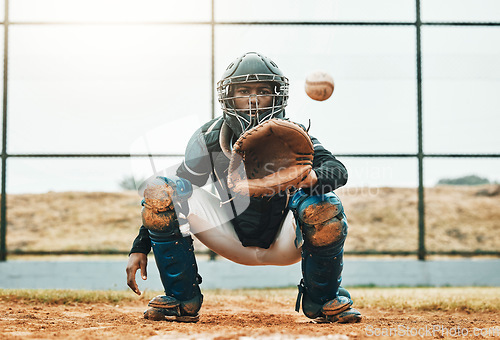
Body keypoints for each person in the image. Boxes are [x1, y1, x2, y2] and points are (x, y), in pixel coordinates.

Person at [126, 52, 361, 324]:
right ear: (229, 97)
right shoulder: (210, 138)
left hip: (287, 239)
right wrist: (140, 246)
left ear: (277, 96)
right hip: (229, 236)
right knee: (162, 190)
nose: (252, 99)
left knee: (323, 203)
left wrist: (312, 179)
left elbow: (337, 170)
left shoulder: (294, 135)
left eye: (262, 90)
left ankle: (323, 299)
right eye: (243, 90)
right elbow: (169, 196)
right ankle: (181, 299)